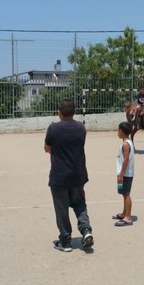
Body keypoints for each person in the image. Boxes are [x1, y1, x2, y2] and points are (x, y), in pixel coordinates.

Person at [44, 98, 94, 252]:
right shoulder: (81, 128)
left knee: (61, 209)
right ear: (75, 112)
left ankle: (66, 241)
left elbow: (47, 148)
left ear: (59, 112)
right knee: (79, 204)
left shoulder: (53, 128)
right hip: (78, 175)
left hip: (60, 176)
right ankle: (86, 230)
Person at [113, 121, 135, 226]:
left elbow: (126, 160)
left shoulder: (126, 145)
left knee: (126, 194)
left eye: (118, 130)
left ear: (121, 131)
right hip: (124, 173)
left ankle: (128, 217)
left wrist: (121, 174)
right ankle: (124, 213)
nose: (117, 132)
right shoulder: (127, 142)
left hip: (125, 174)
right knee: (123, 193)